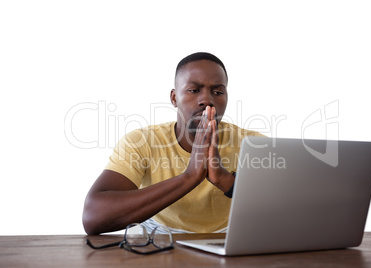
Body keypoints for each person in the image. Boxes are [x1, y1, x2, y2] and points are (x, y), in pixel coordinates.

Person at [82, 52, 263, 235]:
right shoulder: (141, 142)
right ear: (174, 98)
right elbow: (93, 217)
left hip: (229, 234)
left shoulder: (253, 144)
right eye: (194, 90)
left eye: (217, 92)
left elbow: (284, 207)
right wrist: (190, 176)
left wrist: (224, 179)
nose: (207, 100)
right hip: (160, 234)